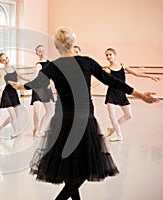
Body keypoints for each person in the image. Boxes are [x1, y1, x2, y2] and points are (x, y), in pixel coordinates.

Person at [10, 27, 159, 200]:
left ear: (56, 46)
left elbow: (35, 84)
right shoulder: (87, 62)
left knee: (71, 168)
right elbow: (112, 81)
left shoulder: (53, 66)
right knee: (81, 169)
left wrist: (20, 86)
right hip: (83, 121)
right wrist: (140, 95)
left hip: (62, 122)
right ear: (72, 44)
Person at [103, 48, 160, 141]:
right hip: (112, 93)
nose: (108, 57)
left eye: (110, 54)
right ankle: (119, 135)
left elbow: (136, 73)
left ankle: (112, 129)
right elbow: (98, 80)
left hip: (121, 93)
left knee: (128, 115)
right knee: (111, 116)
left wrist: (150, 76)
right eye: (107, 55)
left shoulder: (122, 66)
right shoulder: (107, 69)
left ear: (115, 55)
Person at [0, 52, 30, 138]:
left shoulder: (13, 67)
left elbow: (20, 76)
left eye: (6, 58)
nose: (6, 61)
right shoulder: (3, 71)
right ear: (1, 62)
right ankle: (15, 132)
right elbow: (1, 80)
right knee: (12, 115)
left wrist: (30, 79)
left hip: (14, 93)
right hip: (7, 94)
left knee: (15, 115)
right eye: (3, 60)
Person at [30, 45, 55, 137]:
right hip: (38, 88)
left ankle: (41, 128)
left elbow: (53, 75)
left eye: (43, 50)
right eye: (39, 51)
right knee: (37, 109)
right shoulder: (38, 65)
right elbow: (35, 75)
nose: (41, 52)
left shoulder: (50, 63)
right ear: (36, 53)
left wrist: (51, 83)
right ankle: (36, 128)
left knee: (50, 111)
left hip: (46, 89)